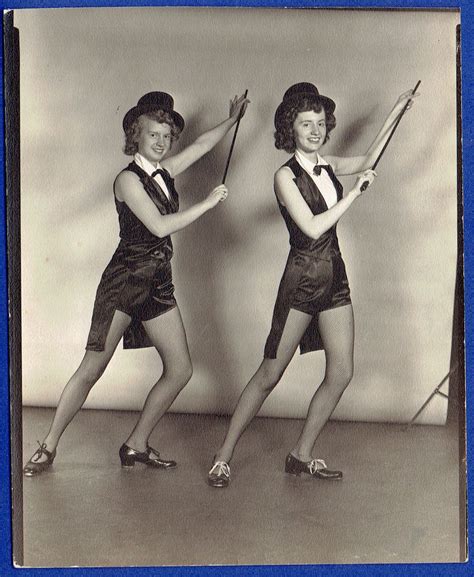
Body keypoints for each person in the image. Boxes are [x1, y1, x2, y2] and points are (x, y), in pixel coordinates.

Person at [23, 90, 248, 476]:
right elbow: (159, 226)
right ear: (136, 137)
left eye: (165, 135)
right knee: (93, 368)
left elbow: (201, 145)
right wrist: (207, 204)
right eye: (152, 135)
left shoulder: (165, 171)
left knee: (180, 370)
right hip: (125, 281)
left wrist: (232, 119)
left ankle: (135, 444)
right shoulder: (127, 180)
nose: (161, 142)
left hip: (158, 281)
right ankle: (48, 446)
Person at [208, 82, 418, 487]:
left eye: (320, 122)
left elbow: (371, 157)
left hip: (335, 276)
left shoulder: (329, 162)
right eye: (306, 124)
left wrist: (397, 109)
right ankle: (223, 455)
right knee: (270, 374)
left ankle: (301, 454)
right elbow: (312, 226)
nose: (315, 130)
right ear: (291, 128)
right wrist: (356, 194)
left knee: (341, 372)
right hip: (302, 278)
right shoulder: (284, 176)